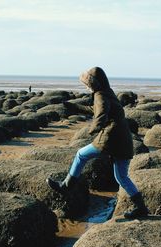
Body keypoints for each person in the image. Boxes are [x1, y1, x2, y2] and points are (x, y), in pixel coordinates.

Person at [46, 67, 149, 219]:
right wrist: (74, 106)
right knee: (121, 177)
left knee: (81, 154)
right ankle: (141, 207)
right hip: (123, 140)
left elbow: (100, 114)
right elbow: (95, 109)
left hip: (110, 139)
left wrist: (92, 130)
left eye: (87, 84)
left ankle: (65, 186)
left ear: (94, 84)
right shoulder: (107, 92)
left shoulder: (100, 95)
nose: (86, 86)